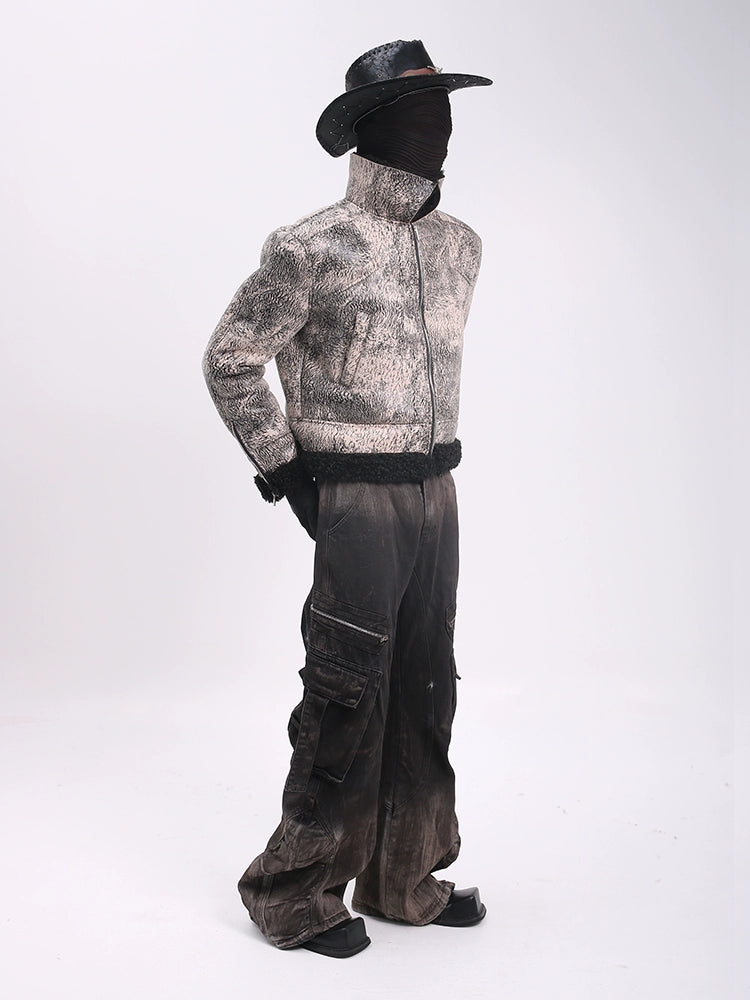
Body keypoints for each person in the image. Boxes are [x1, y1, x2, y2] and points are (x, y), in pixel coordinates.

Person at [202, 38, 492, 958]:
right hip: (356, 495)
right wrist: (289, 474)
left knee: (427, 684)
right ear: (374, 127)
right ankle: (294, 891)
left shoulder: (459, 246)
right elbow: (231, 359)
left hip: (438, 489)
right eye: (420, 109)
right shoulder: (311, 247)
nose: (441, 126)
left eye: (445, 107)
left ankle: (406, 875)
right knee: (345, 689)